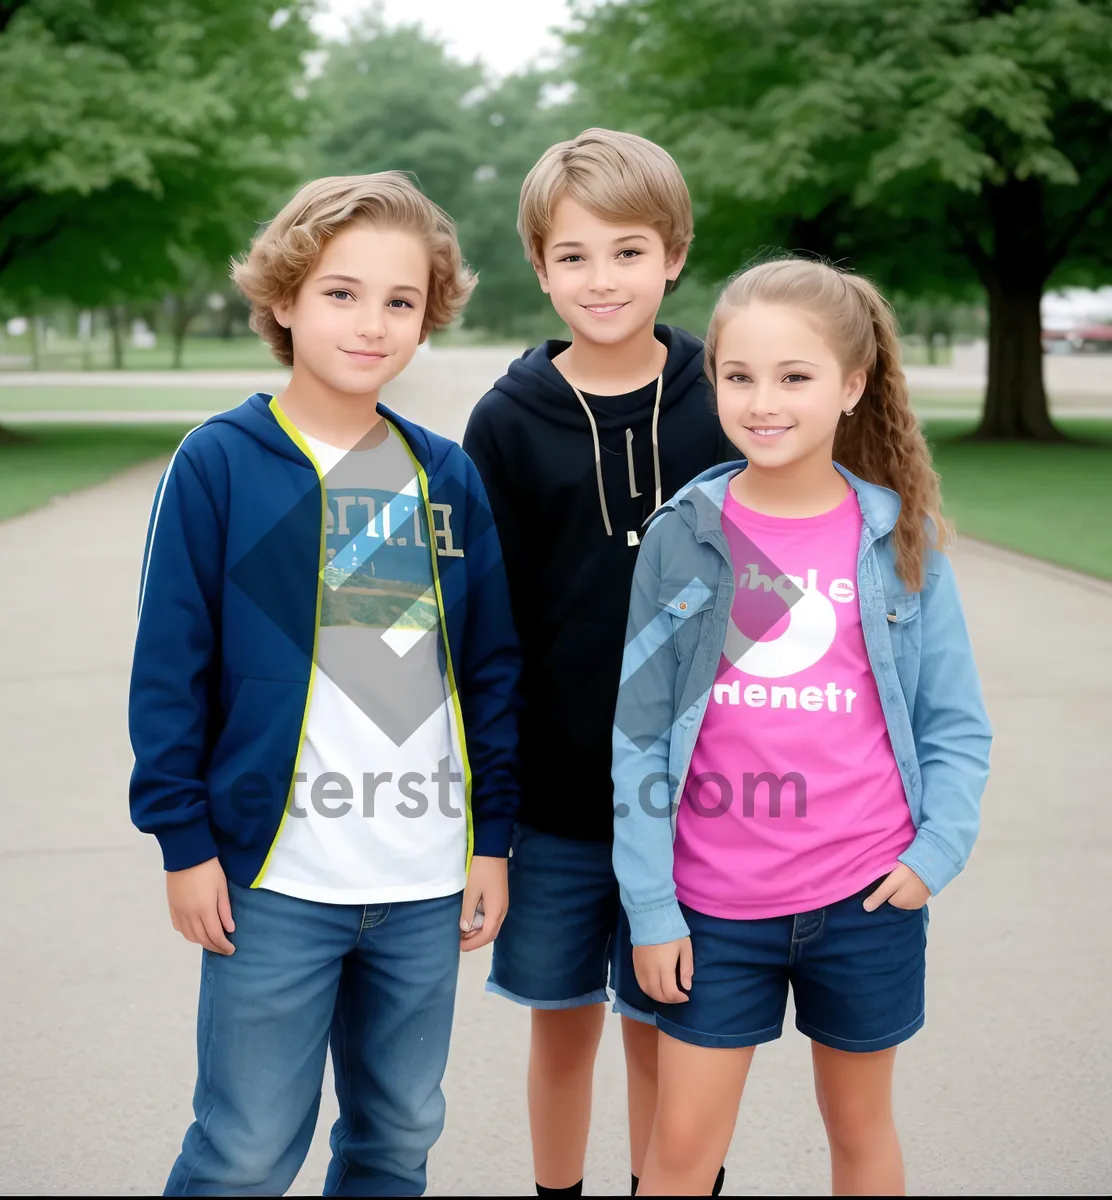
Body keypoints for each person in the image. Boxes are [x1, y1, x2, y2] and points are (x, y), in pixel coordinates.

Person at [127, 171, 521, 1197]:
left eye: (400, 301)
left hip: (425, 879)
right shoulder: (221, 464)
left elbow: (488, 672)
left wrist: (491, 841)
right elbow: (170, 670)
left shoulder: (446, 476)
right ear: (285, 301)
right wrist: (184, 844)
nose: (372, 323)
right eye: (342, 293)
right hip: (276, 880)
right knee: (246, 1151)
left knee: (396, 1141)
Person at [611, 257, 994, 1195]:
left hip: (865, 900)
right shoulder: (686, 532)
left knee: (861, 1136)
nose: (763, 401)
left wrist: (933, 855)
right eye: (739, 377)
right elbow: (640, 736)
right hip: (712, 909)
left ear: (852, 386)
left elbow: (954, 722)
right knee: (682, 1149)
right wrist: (653, 907)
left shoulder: (897, 538)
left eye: (795, 377)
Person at [462, 128, 735, 1197]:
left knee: (665, 1029)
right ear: (539, 268)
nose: (602, 278)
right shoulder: (507, 423)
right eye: (573, 256)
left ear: (673, 253)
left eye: (628, 251)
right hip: (560, 804)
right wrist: (493, 812)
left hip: (704, 799)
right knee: (564, 1027)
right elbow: (488, 630)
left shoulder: (727, 400)